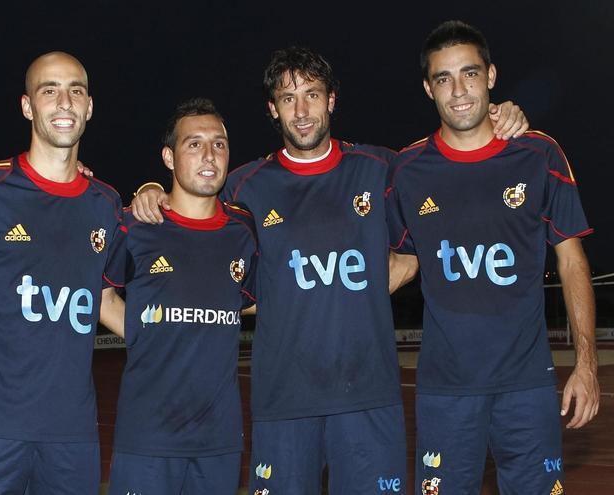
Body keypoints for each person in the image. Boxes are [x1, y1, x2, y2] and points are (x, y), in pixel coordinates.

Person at [131, 47, 529, 494]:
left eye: (312, 95)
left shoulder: (381, 169)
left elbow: (429, 222)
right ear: (272, 109)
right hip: (283, 403)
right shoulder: (244, 186)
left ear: (332, 100)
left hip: (368, 399)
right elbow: (195, 213)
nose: (301, 111)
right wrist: (151, 189)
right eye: (287, 98)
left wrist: (498, 116)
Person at [386, 20, 599, 495]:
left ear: (491, 76)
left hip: (527, 386)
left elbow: (571, 261)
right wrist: (313, 296)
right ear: (428, 88)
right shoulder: (406, 170)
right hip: (445, 390)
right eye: (444, 78)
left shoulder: (539, 155)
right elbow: (402, 263)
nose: (459, 90)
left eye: (470, 74)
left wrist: (586, 365)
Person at [0, 51, 124, 495]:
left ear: (89, 107)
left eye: (75, 91)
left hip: (72, 434)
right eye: (49, 90)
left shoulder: (105, 204)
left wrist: (174, 346)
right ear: (27, 106)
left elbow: (105, 301)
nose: (64, 102)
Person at [103, 98, 258, 494]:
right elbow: (103, 297)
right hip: (148, 438)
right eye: (194, 144)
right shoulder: (135, 224)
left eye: (219, 144)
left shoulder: (243, 230)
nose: (209, 155)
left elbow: (256, 300)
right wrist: (147, 333)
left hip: (219, 443)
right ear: (169, 157)